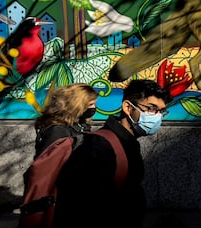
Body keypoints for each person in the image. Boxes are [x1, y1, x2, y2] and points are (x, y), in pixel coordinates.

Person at [52, 79, 172, 228]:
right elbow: (78, 207)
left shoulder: (127, 143)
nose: (157, 116)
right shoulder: (99, 147)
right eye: (151, 108)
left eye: (161, 111)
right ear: (128, 107)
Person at [33, 83, 98, 158]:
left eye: (94, 104)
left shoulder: (80, 124)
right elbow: (48, 163)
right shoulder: (58, 131)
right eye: (90, 104)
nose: (94, 107)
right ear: (76, 105)